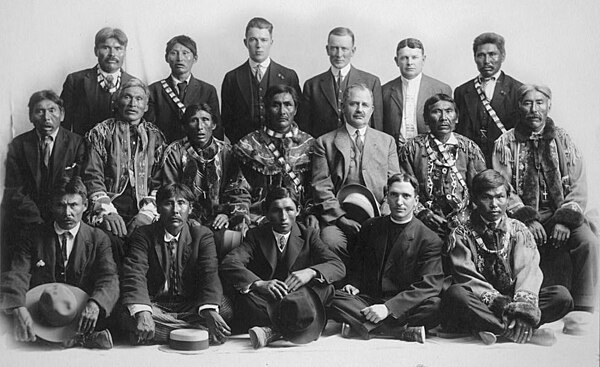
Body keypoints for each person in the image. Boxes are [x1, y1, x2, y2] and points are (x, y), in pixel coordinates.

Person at [492, 84, 598, 315]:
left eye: (540, 103)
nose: (534, 109)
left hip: (560, 212)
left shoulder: (564, 139)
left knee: (589, 242)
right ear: (519, 106)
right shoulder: (506, 143)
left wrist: (566, 219)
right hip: (522, 217)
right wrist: (526, 218)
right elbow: (502, 188)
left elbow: (578, 184)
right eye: (528, 103)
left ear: (549, 105)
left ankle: (584, 307)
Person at [443, 169, 573, 345]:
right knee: (456, 294)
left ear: (507, 197)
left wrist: (522, 310)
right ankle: (518, 332)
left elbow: (528, 270)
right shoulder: (461, 234)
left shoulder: (519, 229)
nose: (494, 204)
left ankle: (494, 328)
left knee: (561, 296)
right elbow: (467, 276)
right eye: (487, 197)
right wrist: (500, 304)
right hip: (483, 302)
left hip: (515, 296)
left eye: (500, 197)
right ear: (475, 200)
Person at [0, 176, 119, 349]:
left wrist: (95, 304)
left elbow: (109, 278)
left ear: (85, 206)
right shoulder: (33, 236)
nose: (67, 213)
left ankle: (80, 337)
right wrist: (17, 306)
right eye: (60, 205)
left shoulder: (98, 239)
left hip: (79, 315)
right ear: (51, 206)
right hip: (42, 313)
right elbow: (17, 272)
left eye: (73, 205)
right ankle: (80, 340)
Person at [220, 187, 345, 348]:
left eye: (289, 210)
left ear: (298, 210)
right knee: (245, 300)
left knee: (326, 289)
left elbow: (337, 265)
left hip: (300, 298)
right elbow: (229, 263)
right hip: (267, 301)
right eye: (276, 210)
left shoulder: (308, 234)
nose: (283, 217)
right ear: (266, 212)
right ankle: (303, 326)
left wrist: (310, 272)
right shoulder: (256, 235)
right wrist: (259, 283)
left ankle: (273, 331)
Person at [329, 173, 444, 343]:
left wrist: (388, 308)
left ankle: (362, 325)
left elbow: (429, 285)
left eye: (406, 196)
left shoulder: (429, 238)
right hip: (369, 299)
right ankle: (401, 332)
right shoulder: (371, 226)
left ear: (416, 200)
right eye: (394, 195)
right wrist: (353, 284)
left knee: (435, 305)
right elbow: (357, 265)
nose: (399, 202)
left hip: (402, 304)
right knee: (333, 296)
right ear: (386, 196)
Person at [120, 183, 232, 345]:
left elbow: (210, 273)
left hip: (190, 305)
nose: (175, 210)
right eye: (168, 203)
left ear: (190, 208)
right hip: (156, 304)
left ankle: (155, 333)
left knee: (225, 307)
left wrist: (208, 311)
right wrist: (144, 312)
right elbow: (135, 273)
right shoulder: (143, 235)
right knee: (126, 313)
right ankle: (197, 332)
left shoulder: (202, 235)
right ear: (158, 208)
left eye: (181, 203)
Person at [312, 83, 400, 262]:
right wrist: (341, 219)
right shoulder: (325, 142)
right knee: (331, 242)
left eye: (364, 105)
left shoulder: (387, 142)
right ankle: (343, 286)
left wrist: (383, 215)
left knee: (386, 244)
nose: (360, 109)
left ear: (372, 110)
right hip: (338, 217)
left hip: (379, 216)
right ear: (343, 107)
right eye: (353, 104)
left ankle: (366, 288)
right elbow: (320, 186)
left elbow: (395, 183)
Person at [2, 90, 86, 267]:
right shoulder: (18, 145)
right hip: (27, 216)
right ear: (31, 116)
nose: (46, 117)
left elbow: (79, 184)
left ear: (62, 115)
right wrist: (36, 219)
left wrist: (58, 214)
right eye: (39, 111)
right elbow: (14, 189)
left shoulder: (77, 143)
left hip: (63, 213)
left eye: (52, 110)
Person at [84, 78, 166, 240]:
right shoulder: (100, 132)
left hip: (144, 209)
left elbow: (161, 181)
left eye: (139, 99)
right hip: (110, 205)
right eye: (127, 97)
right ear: (117, 102)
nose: (132, 104)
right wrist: (107, 212)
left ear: (146, 106)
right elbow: (92, 176)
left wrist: (147, 213)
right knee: (109, 241)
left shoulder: (156, 136)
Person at [225, 85, 316, 229]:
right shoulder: (248, 145)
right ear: (266, 109)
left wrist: (312, 213)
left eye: (288, 105)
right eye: (275, 105)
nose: (282, 112)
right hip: (258, 220)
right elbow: (239, 190)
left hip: (299, 218)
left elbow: (314, 188)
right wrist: (242, 217)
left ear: (296, 109)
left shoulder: (309, 145)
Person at [399, 94, 486, 237]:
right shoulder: (412, 149)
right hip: (423, 221)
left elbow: (481, 189)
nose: (443, 117)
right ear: (426, 119)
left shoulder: (469, 148)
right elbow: (405, 187)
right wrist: (422, 213)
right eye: (436, 111)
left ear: (456, 118)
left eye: (449, 111)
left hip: (464, 223)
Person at [221, 17, 301, 143]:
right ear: (245, 42)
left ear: (271, 42)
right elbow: (227, 120)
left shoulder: (288, 76)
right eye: (253, 40)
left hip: (281, 146)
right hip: (244, 149)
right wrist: (243, 145)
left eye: (264, 40)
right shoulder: (232, 78)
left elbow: (298, 115)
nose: (258, 46)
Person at [299, 27, 383, 138]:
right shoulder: (312, 85)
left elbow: (377, 128)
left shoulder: (371, 82)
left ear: (353, 51)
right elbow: (305, 129)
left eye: (344, 49)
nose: (339, 54)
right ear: (327, 49)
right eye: (334, 48)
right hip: (323, 150)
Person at [454, 32, 523, 166]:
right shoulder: (462, 91)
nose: (486, 61)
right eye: (481, 55)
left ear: (503, 56)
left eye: (492, 54)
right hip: (471, 161)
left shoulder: (517, 89)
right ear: (474, 57)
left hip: (504, 161)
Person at [145, 35, 223, 143]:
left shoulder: (207, 90)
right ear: (166, 58)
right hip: (166, 154)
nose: (180, 58)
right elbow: (150, 130)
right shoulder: (154, 90)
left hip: (198, 155)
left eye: (185, 53)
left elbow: (216, 130)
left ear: (195, 58)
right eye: (174, 53)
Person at [61, 27, 136, 136]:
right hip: (83, 149)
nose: (112, 54)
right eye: (106, 48)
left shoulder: (134, 83)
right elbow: (64, 124)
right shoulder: (76, 81)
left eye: (118, 48)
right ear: (96, 51)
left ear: (124, 52)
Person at [382, 38, 452, 144]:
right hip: (394, 152)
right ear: (396, 61)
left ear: (423, 59)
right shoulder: (385, 90)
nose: (409, 63)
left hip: (430, 152)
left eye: (414, 57)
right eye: (404, 58)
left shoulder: (441, 89)